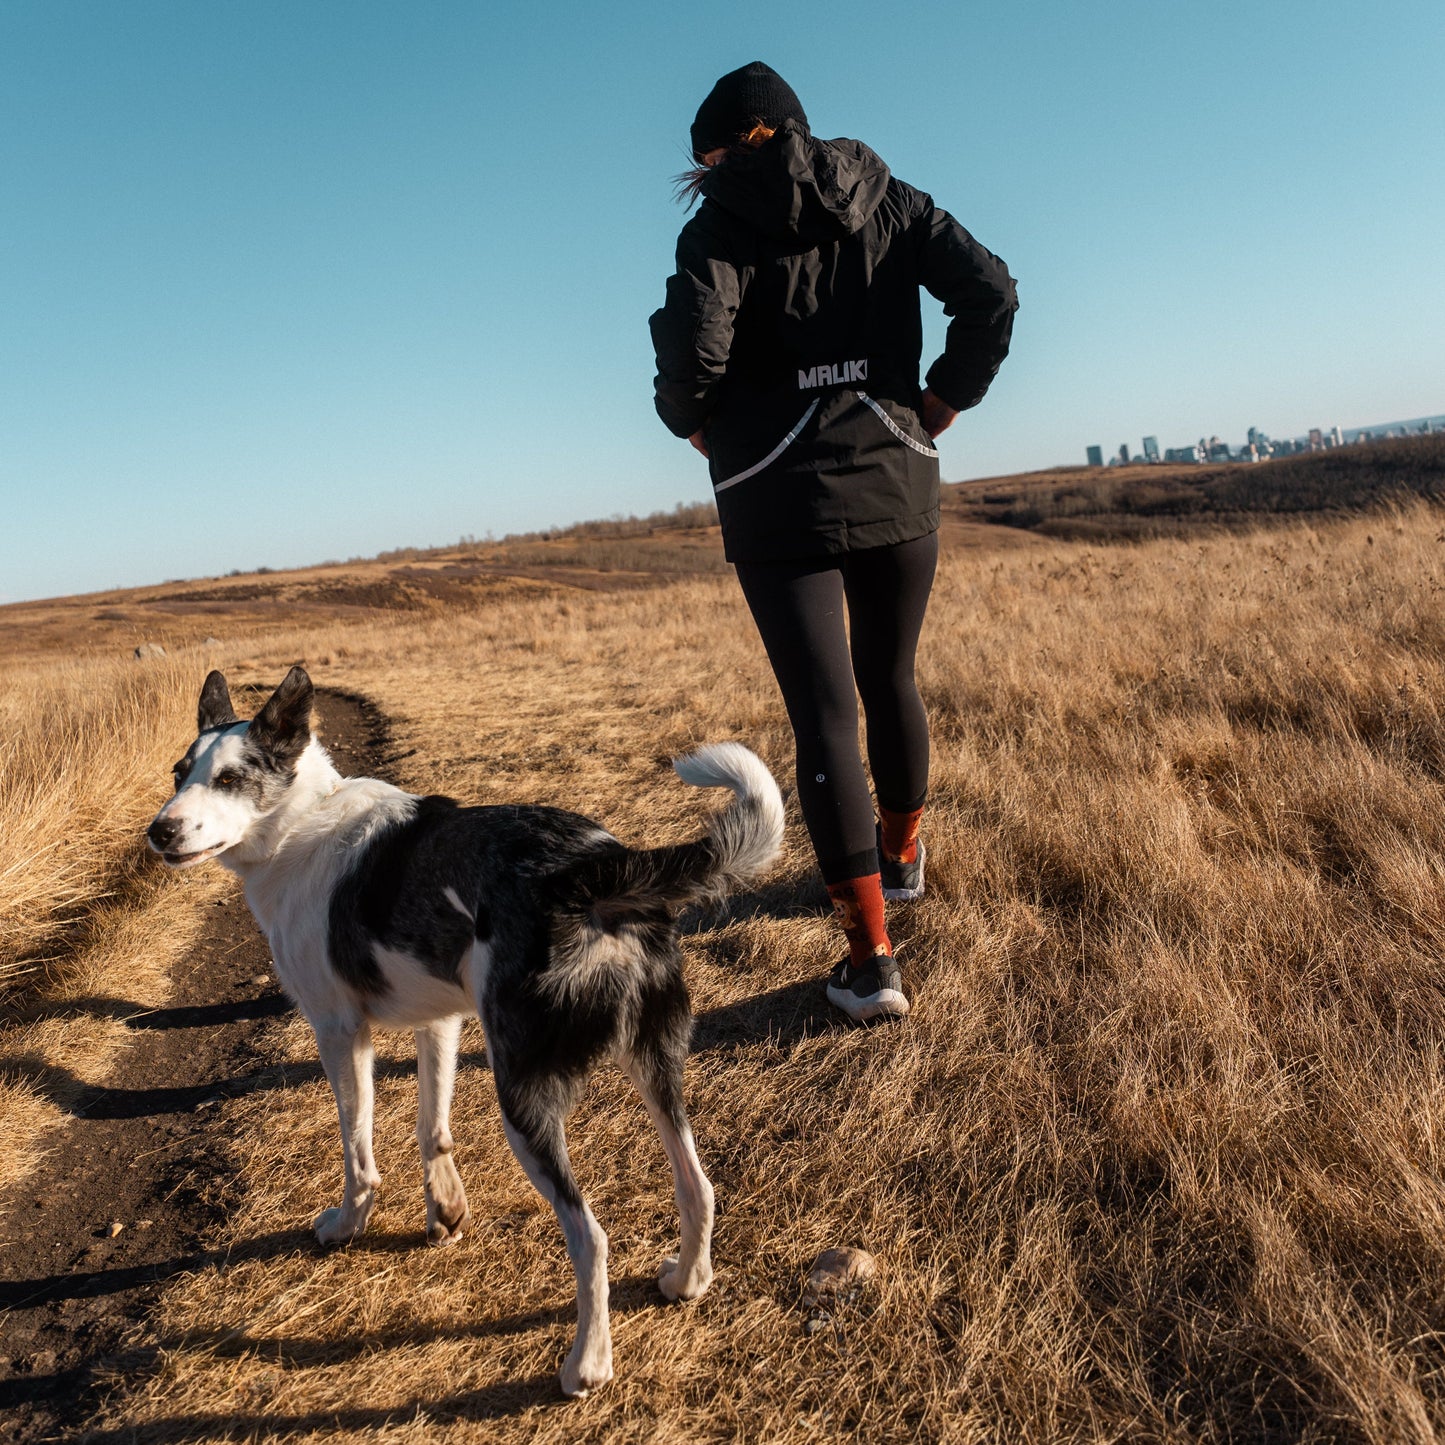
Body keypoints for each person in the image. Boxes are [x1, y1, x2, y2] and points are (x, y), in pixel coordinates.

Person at [650, 61, 1017, 1022]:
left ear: (727, 147)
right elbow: (991, 293)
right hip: (896, 471)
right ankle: (898, 862)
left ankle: (871, 961)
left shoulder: (716, 226)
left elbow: (693, 354)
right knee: (890, 678)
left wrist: (690, 421)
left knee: (824, 716)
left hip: (775, 499)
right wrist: (939, 401)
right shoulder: (887, 196)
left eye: (708, 157)